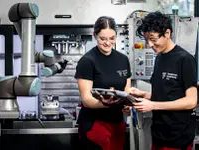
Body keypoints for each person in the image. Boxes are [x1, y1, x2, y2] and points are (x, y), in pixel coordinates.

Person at [131, 11, 197, 150]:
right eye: (147, 39)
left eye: (153, 39)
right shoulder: (159, 58)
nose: (149, 44)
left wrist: (153, 105)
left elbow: (191, 101)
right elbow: (166, 95)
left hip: (178, 138)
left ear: (167, 33)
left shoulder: (185, 59)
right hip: (159, 135)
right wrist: (142, 95)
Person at [74, 16, 132, 150]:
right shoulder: (87, 61)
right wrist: (105, 104)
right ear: (95, 36)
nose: (108, 43)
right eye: (103, 39)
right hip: (95, 125)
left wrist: (127, 106)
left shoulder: (123, 59)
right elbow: (86, 99)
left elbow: (126, 90)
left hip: (118, 124)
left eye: (112, 38)